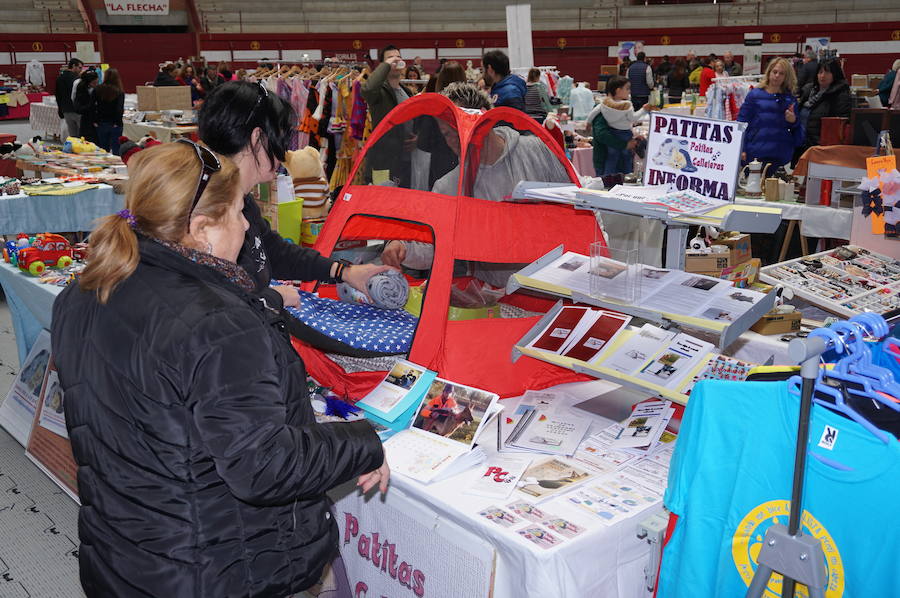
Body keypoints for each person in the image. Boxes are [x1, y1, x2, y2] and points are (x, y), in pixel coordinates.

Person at [51, 141, 387, 598]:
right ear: (201, 229)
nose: (248, 225)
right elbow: (265, 465)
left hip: (122, 556)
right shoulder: (219, 322)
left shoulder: (85, 291)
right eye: (237, 213)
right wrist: (364, 443)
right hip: (211, 568)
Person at [199, 81, 388, 315]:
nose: (285, 151)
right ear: (257, 139)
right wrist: (273, 298)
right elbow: (214, 303)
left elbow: (273, 251)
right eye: (281, 138)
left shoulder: (239, 200)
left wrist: (343, 272)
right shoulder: (212, 213)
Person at [382, 83, 570, 284]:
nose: (453, 139)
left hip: (554, 283)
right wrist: (402, 248)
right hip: (496, 295)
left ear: (484, 122)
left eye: (458, 129)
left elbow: (575, 204)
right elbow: (435, 247)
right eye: (446, 133)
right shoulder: (448, 186)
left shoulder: (536, 151)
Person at [361, 44, 417, 186]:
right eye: (390, 57)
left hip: (406, 160)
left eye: (398, 56)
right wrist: (386, 65)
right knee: (381, 202)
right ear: (383, 65)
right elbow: (368, 89)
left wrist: (417, 138)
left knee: (404, 203)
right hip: (383, 160)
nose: (396, 59)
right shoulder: (379, 91)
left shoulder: (408, 92)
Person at [737, 57, 803, 169]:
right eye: (775, 72)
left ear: (786, 77)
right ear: (769, 72)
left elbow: (798, 132)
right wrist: (742, 149)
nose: (777, 76)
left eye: (781, 73)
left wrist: (794, 121)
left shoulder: (790, 99)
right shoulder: (754, 95)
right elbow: (742, 123)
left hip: (780, 156)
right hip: (755, 154)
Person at [588, 76, 655, 176]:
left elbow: (592, 116)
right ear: (618, 90)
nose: (629, 91)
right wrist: (625, 144)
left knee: (619, 164)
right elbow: (602, 135)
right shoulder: (609, 108)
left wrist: (587, 122)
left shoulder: (604, 106)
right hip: (604, 156)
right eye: (627, 88)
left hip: (614, 155)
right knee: (612, 176)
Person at [797, 59, 851, 156]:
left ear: (835, 74)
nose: (823, 75)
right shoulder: (807, 91)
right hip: (802, 144)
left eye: (827, 72)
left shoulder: (840, 95)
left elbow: (842, 123)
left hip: (823, 148)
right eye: (820, 72)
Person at [93, 68, 125, 155]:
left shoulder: (98, 89)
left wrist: (95, 120)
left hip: (101, 122)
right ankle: (117, 166)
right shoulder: (119, 91)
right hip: (114, 123)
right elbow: (119, 109)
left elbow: (93, 106)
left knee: (103, 148)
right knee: (116, 148)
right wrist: (117, 122)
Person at [55, 58, 83, 139]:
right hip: (77, 110)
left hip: (66, 110)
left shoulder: (59, 78)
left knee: (72, 135)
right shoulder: (77, 79)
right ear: (74, 66)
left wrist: (60, 109)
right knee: (82, 135)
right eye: (80, 68)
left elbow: (58, 96)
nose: (80, 70)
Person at [72, 70, 99, 142]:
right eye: (94, 83)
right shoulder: (81, 89)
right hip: (86, 121)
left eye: (97, 82)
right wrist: (91, 106)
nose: (96, 84)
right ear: (88, 82)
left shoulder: (97, 89)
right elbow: (77, 108)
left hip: (97, 121)